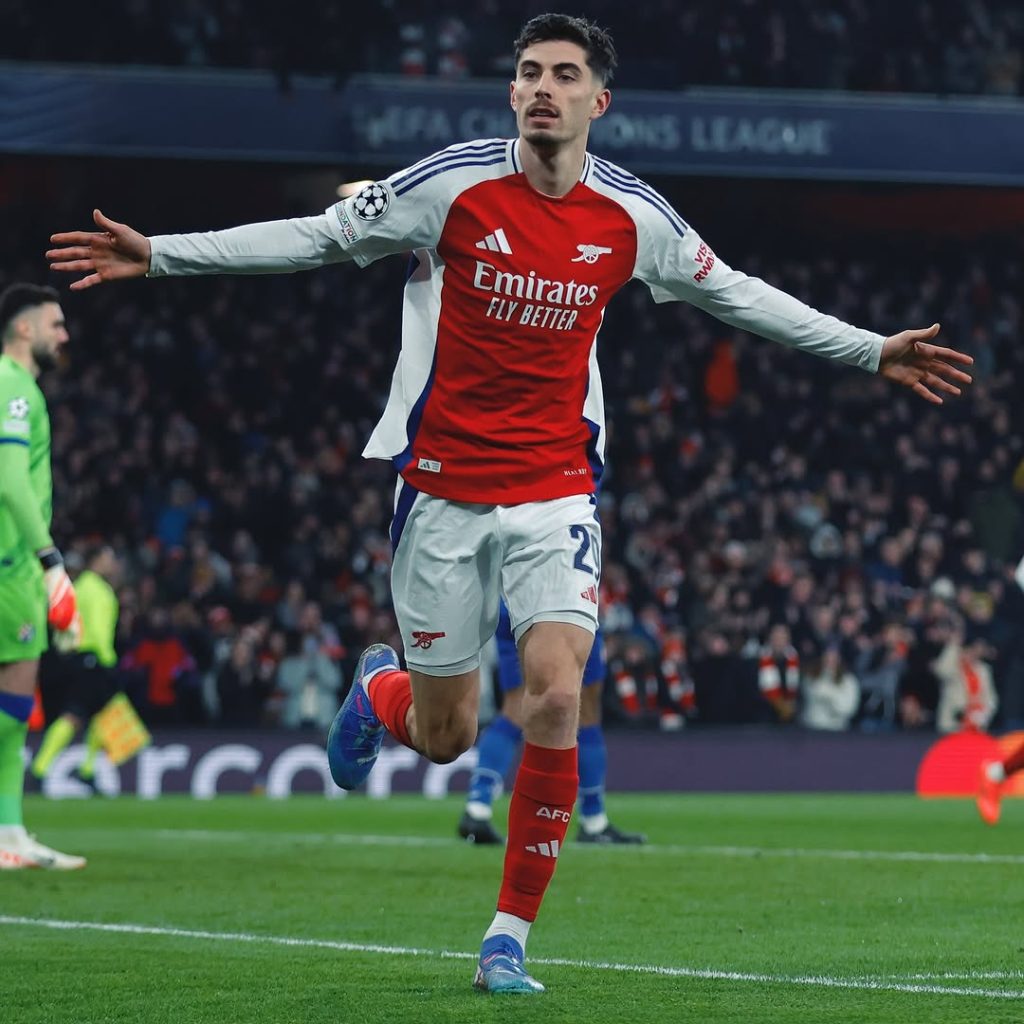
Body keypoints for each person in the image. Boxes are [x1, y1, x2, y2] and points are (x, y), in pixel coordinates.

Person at [47, 12, 974, 993]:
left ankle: (507, 938)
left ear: (598, 101)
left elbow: (738, 293)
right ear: (512, 90)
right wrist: (163, 254)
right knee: (445, 735)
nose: (542, 88)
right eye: (529, 71)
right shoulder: (450, 186)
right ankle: (379, 690)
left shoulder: (632, 216)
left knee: (558, 693)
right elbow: (317, 237)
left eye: (564, 75)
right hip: (442, 493)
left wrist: (869, 349)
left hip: (554, 490)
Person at [0, 283, 85, 869]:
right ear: (24, 328)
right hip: (13, 568)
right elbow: (10, 481)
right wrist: (50, 560)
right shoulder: (14, 385)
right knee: (12, 706)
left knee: (13, 712)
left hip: (17, 568)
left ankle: (9, 834)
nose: (64, 335)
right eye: (55, 324)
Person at [458, 602, 644, 845]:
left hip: (512, 603)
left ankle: (478, 806)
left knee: (515, 707)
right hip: (568, 603)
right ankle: (593, 819)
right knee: (586, 711)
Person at [29, 544, 125, 792]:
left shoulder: (82, 587)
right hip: (94, 658)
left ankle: (87, 770)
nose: (112, 563)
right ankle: (40, 769)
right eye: (108, 557)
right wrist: (105, 660)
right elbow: (98, 631)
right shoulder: (96, 589)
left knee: (106, 712)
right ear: (96, 560)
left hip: (83, 657)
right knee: (75, 714)